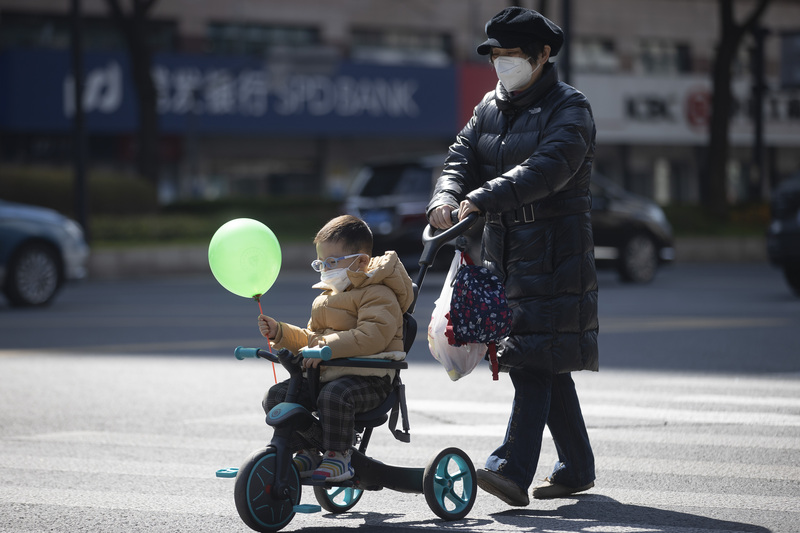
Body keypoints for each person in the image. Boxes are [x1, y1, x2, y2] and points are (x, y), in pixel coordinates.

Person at [427, 6, 598, 506]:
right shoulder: (489, 107)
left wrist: (483, 197)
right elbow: (461, 156)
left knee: (530, 361)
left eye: (513, 55)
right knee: (544, 359)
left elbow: (549, 168)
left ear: (543, 55)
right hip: (504, 254)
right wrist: (446, 197)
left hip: (555, 253)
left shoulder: (572, 108)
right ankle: (577, 466)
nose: (502, 64)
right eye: (496, 55)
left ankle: (510, 468)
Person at [258, 214, 414, 482]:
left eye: (331, 263)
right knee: (276, 397)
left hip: (370, 378)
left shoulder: (379, 294)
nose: (325, 270)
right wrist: (281, 332)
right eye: (320, 263)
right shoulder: (326, 298)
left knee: (334, 396)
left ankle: (339, 456)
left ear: (361, 261)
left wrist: (324, 347)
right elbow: (312, 338)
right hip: (328, 374)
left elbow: (371, 336)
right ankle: (307, 450)